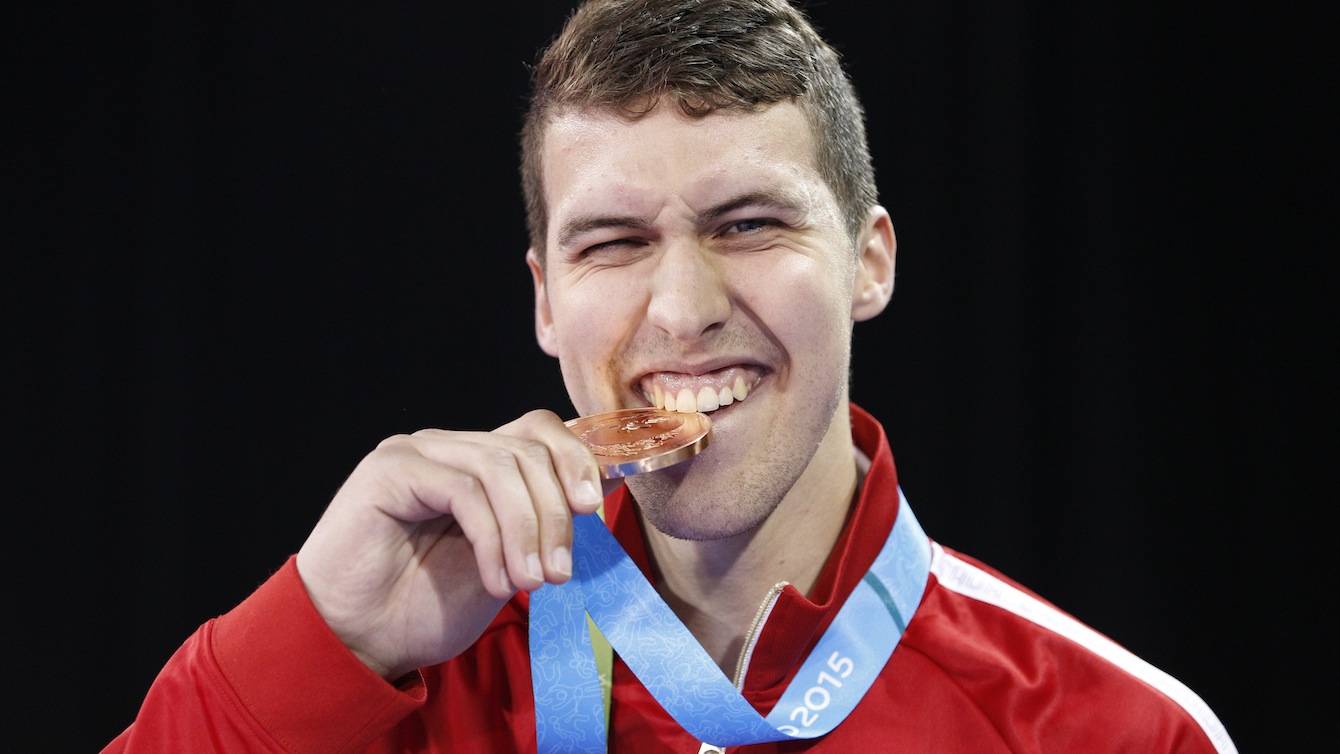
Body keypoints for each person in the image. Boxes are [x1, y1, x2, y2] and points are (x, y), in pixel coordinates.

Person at [103, 1, 1237, 752]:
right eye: (613, 242)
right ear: (546, 300)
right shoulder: (407, 685)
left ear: (869, 261)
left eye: (748, 224)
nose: (683, 310)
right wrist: (321, 634)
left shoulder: (1115, 732)